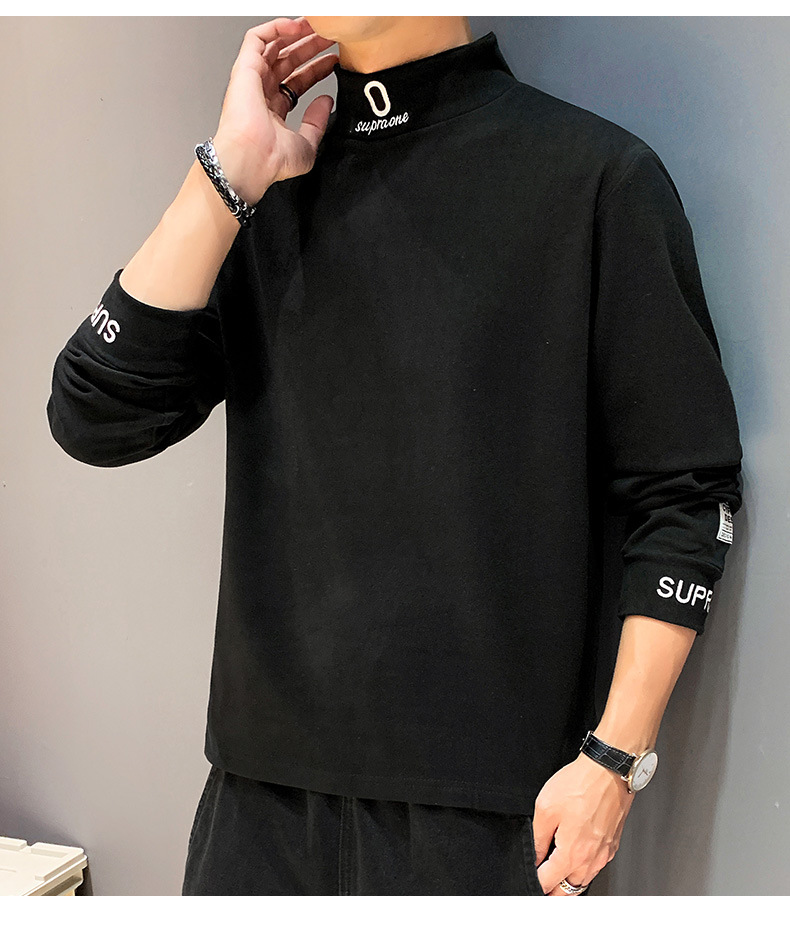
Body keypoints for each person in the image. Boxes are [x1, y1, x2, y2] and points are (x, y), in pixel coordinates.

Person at [46, 15, 744, 896]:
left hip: (492, 820)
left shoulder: (594, 177)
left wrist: (614, 760)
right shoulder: (264, 192)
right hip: (256, 810)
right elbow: (94, 417)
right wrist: (224, 175)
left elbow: (687, 493)